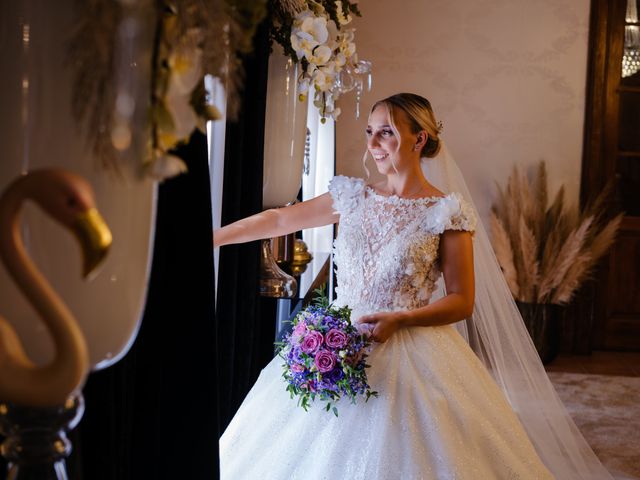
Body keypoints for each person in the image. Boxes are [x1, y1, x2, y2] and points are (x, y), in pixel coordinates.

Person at [214, 93, 613, 479]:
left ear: (418, 138)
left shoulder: (445, 212)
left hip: (410, 346)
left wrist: (402, 319)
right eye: (370, 131)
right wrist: (212, 239)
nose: (373, 143)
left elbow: (461, 301)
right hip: (336, 340)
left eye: (385, 132)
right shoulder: (351, 196)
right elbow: (280, 221)